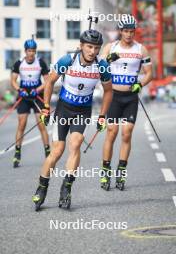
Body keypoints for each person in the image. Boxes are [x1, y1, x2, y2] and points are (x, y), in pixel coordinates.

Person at [32, 29, 112, 211]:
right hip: (64, 109)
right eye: (89, 46)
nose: (93, 51)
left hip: (83, 111)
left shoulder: (102, 66)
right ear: (81, 46)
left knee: (75, 144)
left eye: (96, 48)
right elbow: (50, 82)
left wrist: (102, 116)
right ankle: (42, 187)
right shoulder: (68, 60)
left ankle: (66, 188)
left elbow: (108, 91)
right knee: (57, 151)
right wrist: (45, 107)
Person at [100, 14, 153, 191]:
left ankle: (121, 172)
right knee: (112, 132)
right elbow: (97, 65)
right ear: (120, 31)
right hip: (114, 96)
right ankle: (105, 171)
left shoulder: (141, 49)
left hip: (130, 97)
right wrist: (107, 59)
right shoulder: (110, 46)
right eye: (126, 31)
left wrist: (140, 84)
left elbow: (148, 73)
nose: (129, 34)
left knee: (127, 133)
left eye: (132, 31)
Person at [11, 39, 50, 168]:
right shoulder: (19, 63)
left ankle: (47, 152)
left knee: (41, 125)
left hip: (36, 95)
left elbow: (47, 81)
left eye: (33, 51)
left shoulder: (41, 63)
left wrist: (37, 90)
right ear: (25, 51)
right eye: (29, 51)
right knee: (22, 124)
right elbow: (13, 80)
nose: (31, 53)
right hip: (23, 96)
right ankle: (17, 152)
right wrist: (19, 90)